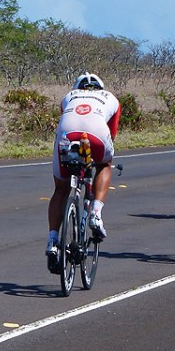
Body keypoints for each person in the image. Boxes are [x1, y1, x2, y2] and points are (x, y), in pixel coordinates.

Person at [46, 72, 121, 268]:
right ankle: (96, 212)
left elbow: (66, 116)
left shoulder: (68, 97)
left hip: (67, 132)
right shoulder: (110, 98)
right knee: (105, 163)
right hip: (96, 132)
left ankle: (53, 240)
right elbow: (111, 134)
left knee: (60, 190)